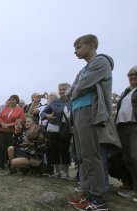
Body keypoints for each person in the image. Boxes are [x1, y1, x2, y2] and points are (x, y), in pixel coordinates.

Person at [67, 34, 113, 210]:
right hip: (78, 111)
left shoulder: (101, 62)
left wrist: (76, 90)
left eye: (78, 47)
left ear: (91, 45)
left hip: (90, 111)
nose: (75, 51)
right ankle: (87, 193)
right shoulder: (83, 69)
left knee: (91, 155)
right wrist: (76, 90)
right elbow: (73, 88)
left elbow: (81, 86)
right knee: (82, 155)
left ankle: (98, 198)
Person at [40, 84, 72, 179]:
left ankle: (66, 172)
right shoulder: (54, 102)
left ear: (69, 90)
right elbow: (43, 113)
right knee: (53, 150)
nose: (62, 91)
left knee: (65, 150)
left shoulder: (73, 102)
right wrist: (47, 116)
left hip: (66, 129)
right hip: (53, 128)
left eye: (64, 89)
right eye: (60, 89)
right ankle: (57, 171)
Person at [115, 65, 137, 203]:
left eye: (135, 75)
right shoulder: (127, 92)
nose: (133, 78)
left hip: (134, 126)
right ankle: (133, 188)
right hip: (122, 127)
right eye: (130, 76)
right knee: (128, 159)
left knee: (135, 157)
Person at [0, 95, 25, 170]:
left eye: (13, 99)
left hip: (11, 132)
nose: (11, 101)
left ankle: (11, 165)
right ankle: (1, 165)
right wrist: (2, 124)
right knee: (0, 147)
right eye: (10, 99)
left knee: (10, 149)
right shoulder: (5, 108)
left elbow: (21, 120)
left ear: (17, 101)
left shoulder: (20, 110)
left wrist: (8, 125)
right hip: (2, 130)